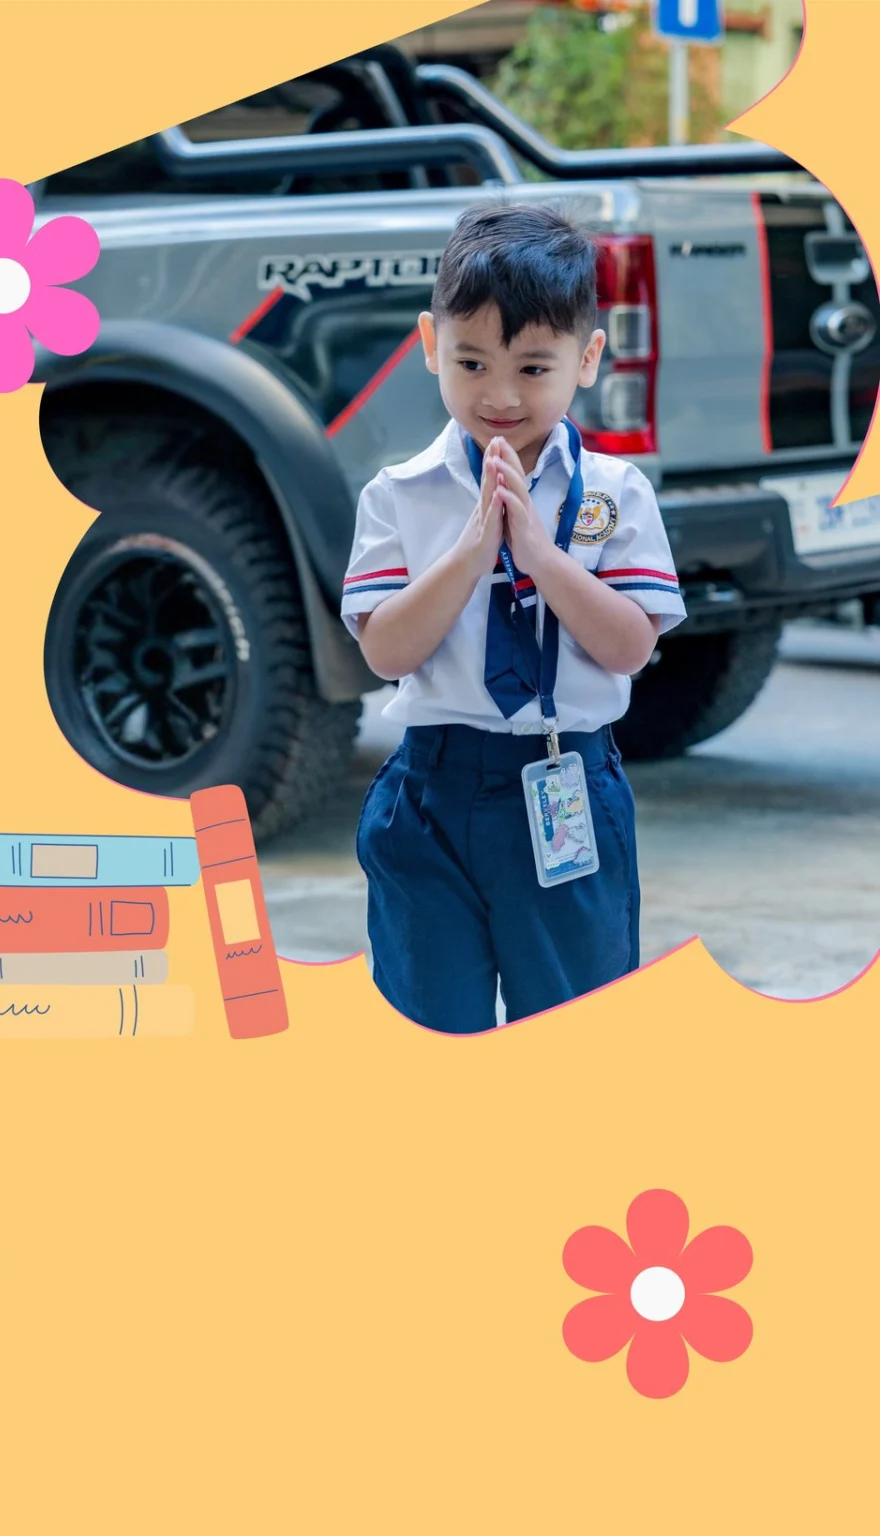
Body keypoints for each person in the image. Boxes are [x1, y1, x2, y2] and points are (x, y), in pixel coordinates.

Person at [341, 202, 686, 1034]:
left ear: (587, 359)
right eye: (471, 362)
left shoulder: (615, 493)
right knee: (430, 1027)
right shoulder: (399, 494)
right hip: (431, 788)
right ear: (431, 345)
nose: (500, 395)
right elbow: (386, 652)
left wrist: (540, 555)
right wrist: (471, 552)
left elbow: (629, 647)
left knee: (570, 1027)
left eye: (533, 368)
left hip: (567, 781)